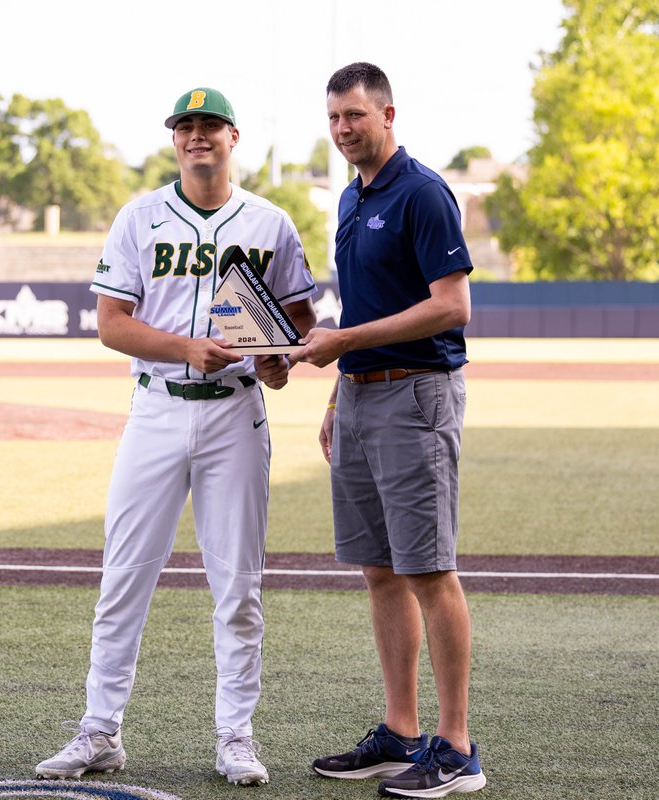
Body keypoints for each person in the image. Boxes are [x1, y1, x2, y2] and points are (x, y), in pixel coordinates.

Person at [35, 86, 317, 787]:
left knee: (238, 587)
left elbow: (298, 327)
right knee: (125, 576)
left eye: (210, 126)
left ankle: (236, 737)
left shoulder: (271, 223)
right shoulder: (140, 217)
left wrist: (278, 361)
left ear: (233, 137)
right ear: (174, 140)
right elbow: (110, 324)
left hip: (235, 414)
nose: (198, 137)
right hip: (156, 408)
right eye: (186, 127)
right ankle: (99, 732)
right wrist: (184, 348)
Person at [289, 62, 485, 798]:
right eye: (335, 117)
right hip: (364, 397)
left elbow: (452, 307)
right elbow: (362, 302)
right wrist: (341, 391)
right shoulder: (351, 196)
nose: (343, 129)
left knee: (429, 571)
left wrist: (347, 342)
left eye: (355, 117)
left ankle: (457, 748)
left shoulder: (423, 192)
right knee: (379, 569)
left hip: (416, 397)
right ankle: (400, 732)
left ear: (388, 115)